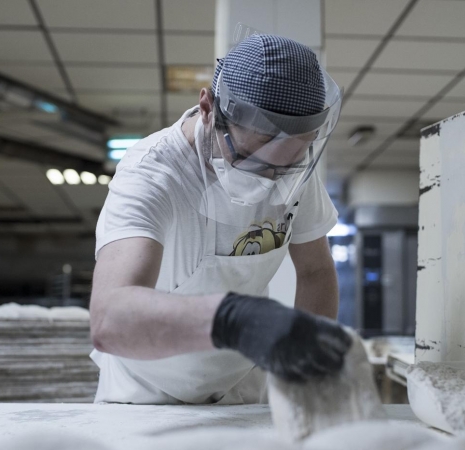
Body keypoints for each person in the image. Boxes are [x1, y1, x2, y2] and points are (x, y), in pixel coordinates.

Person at [89, 33, 350, 405]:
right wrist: (234, 318)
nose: (269, 178)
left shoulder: (291, 171)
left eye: (290, 160)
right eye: (251, 156)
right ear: (208, 108)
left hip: (241, 389)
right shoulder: (151, 175)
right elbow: (110, 320)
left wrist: (305, 369)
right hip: (146, 394)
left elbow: (315, 271)